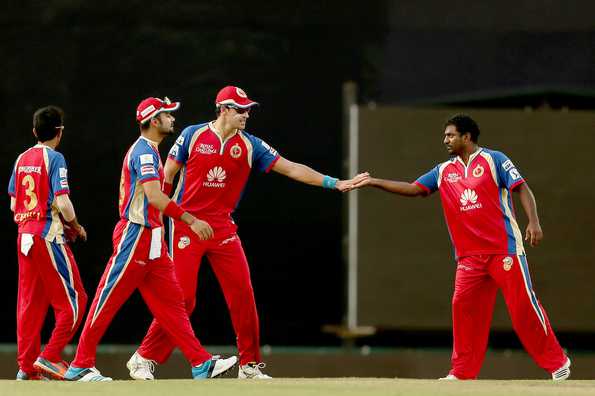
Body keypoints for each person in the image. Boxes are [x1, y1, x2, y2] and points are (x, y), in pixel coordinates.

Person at [126, 86, 367, 380]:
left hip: (223, 228)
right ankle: (145, 357)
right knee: (184, 300)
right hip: (187, 225)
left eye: (248, 109)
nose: (246, 114)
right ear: (223, 109)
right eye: (240, 109)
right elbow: (167, 175)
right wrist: (162, 214)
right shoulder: (192, 135)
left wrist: (335, 183)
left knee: (243, 295)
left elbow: (290, 168)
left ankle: (249, 366)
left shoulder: (251, 145)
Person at [352, 114, 570, 380]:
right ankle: (463, 372)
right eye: (445, 135)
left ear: (466, 137)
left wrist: (534, 222)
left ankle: (557, 362)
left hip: (505, 249)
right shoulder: (444, 170)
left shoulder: (495, 159)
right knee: (463, 309)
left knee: (522, 307)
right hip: (469, 257)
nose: (445, 140)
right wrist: (374, 181)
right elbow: (413, 188)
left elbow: (522, 189)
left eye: (450, 135)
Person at [63, 97, 237, 381]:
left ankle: (200, 362)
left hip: (153, 237)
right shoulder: (144, 151)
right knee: (106, 300)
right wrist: (191, 219)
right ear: (154, 120)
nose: (172, 119)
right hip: (135, 235)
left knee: (174, 305)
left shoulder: (152, 150)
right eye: (167, 115)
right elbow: (155, 196)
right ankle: (80, 364)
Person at [8, 106, 88, 380]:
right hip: (47, 236)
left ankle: (26, 368)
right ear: (60, 132)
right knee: (75, 300)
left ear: (34, 131)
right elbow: (63, 202)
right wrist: (75, 226)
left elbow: (12, 202)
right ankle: (51, 356)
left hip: (24, 237)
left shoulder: (21, 159)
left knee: (29, 305)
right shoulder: (55, 158)